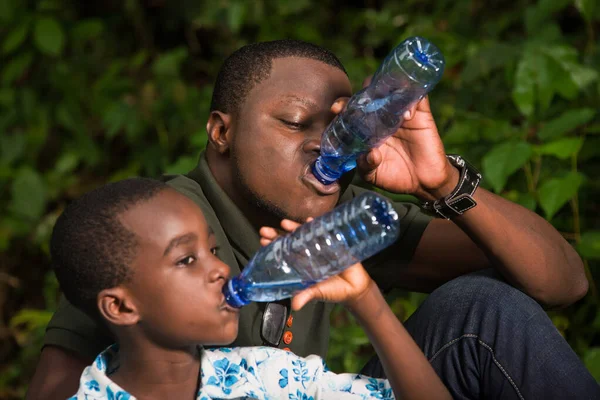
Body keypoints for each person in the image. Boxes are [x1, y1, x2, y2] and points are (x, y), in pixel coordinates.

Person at [27, 40, 598, 399]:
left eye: (340, 124)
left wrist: (440, 184)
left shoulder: (345, 216)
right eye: (296, 122)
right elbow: (57, 386)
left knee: (481, 308)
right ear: (221, 131)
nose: (326, 145)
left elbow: (562, 282)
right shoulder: (154, 228)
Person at [51, 177, 452, 399]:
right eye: (186, 259)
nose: (220, 269)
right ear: (120, 307)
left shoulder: (263, 375)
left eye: (212, 248)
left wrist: (367, 303)